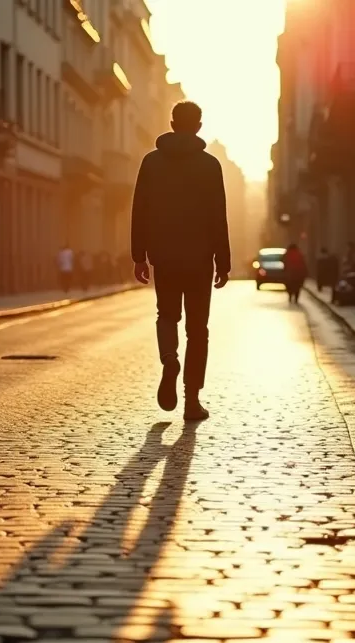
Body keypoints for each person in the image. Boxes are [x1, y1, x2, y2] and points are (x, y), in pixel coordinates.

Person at [130, 101, 230, 422]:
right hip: (200, 261)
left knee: (166, 315)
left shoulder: (151, 162)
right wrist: (223, 261)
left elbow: (139, 211)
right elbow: (219, 217)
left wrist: (139, 256)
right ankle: (191, 400)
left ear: (172, 124)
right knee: (198, 329)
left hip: (165, 257)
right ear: (198, 126)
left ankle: (169, 358)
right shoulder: (210, 165)